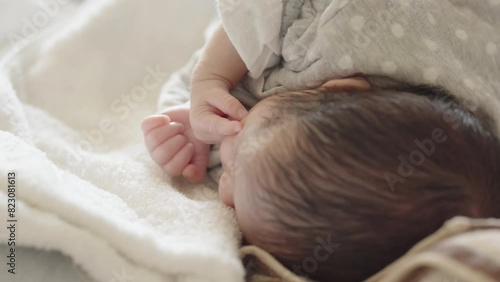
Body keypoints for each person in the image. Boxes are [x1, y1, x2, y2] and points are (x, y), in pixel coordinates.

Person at [142, 1, 500, 281]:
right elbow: (257, 11)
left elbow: (208, 116)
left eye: (234, 197)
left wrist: (191, 126)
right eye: (236, 165)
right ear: (338, 86)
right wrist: (212, 78)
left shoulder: (282, 118)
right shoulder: (326, 39)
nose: (224, 188)